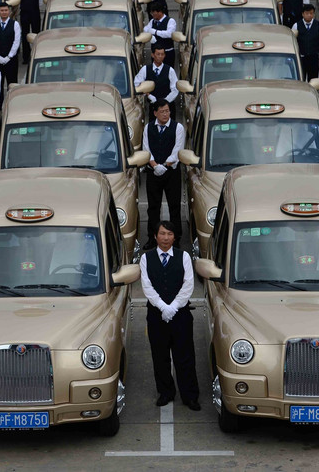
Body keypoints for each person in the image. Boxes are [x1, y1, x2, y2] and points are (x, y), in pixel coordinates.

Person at [140, 221, 200, 410]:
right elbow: (147, 286)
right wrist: (162, 307)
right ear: (155, 236)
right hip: (156, 316)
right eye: (162, 233)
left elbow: (188, 284)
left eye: (170, 234)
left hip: (180, 316)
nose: (166, 238)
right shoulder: (146, 258)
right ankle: (165, 392)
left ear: (174, 237)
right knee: (160, 356)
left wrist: (173, 307)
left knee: (185, 356)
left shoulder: (184, 257)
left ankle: (190, 395)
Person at [142, 100, 185, 250]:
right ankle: (152, 238)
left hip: (171, 172)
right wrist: (155, 165)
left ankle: (176, 239)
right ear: (155, 113)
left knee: (174, 207)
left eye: (167, 111)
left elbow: (178, 150)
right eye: (162, 111)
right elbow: (146, 149)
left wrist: (165, 165)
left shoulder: (178, 127)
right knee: (153, 207)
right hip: (153, 172)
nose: (165, 114)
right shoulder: (148, 127)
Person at [134, 45, 179, 119]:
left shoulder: (170, 70)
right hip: (153, 107)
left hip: (168, 107)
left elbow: (175, 89)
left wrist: (164, 102)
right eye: (158, 54)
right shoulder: (145, 69)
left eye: (162, 54)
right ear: (152, 55)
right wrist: (148, 95)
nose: (160, 56)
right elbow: (137, 85)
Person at [0, 2, 21, 85]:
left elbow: (16, 42)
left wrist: (9, 56)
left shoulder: (15, 24)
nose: (4, 12)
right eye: (2, 10)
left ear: (9, 11)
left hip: (11, 60)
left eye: (6, 10)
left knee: (12, 83)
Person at [293, 4, 319, 81]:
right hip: (301, 58)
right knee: (301, 79)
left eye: (311, 13)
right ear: (303, 14)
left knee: (313, 80)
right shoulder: (296, 26)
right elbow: (293, 42)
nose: (309, 15)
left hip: (314, 58)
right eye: (307, 13)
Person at [17, 0, 42, 64]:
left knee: (36, 33)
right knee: (25, 34)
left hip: (35, 13)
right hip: (24, 13)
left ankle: (37, 54)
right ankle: (26, 57)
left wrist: (35, 7)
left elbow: (40, 0)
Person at [143, 2, 176, 67]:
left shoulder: (170, 21)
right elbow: (146, 29)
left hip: (167, 53)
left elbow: (169, 34)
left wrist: (155, 32)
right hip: (155, 54)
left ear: (159, 12)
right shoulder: (152, 21)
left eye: (153, 13)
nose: (152, 15)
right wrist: (150, 36)